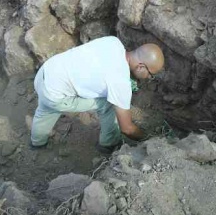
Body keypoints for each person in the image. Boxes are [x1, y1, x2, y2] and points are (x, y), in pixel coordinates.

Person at [30, 36, 165, 153]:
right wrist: (147, 138)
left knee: (46, 109)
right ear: (141, 66)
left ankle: (37, 142)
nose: (148, 77)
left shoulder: (113, 42)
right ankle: (109, 144)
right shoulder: (120, 83)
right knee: (108, 103)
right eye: (150, 74)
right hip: (55, 96)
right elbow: (127, 129)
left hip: (45, 73)